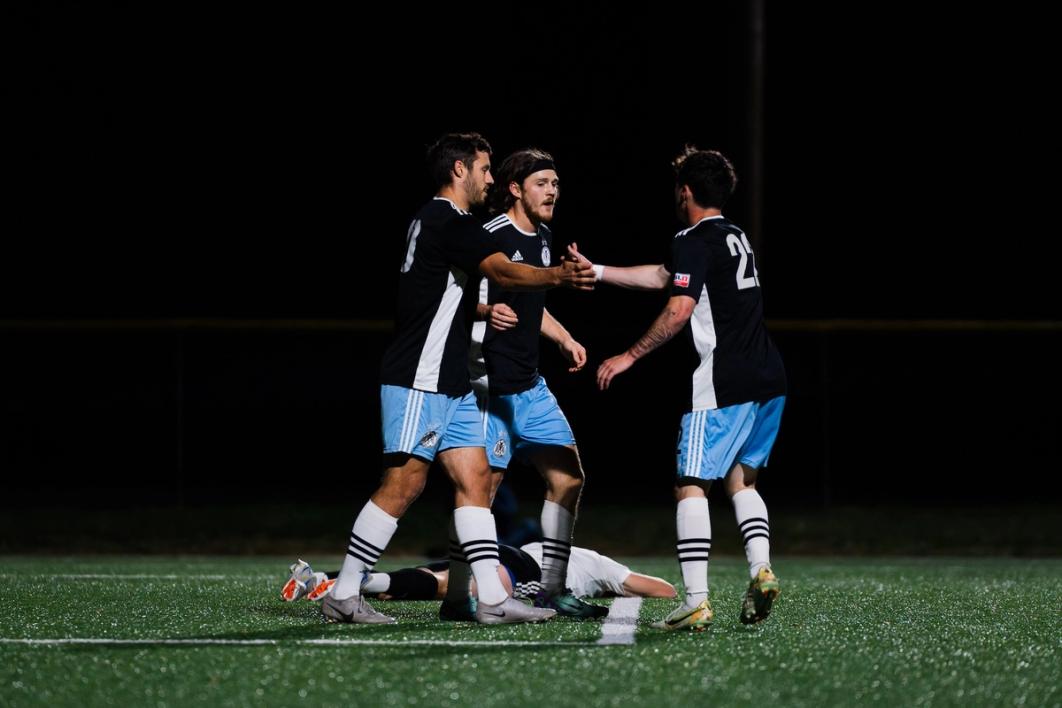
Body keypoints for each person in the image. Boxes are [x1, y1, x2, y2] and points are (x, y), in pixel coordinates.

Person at [322, 133, 595, 626]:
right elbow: (502, 271)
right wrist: (558, 277)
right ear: (459, 171)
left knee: (475, 484)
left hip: (453, 383)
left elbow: (446, 292)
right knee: (403, 484)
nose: (490, 179)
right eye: (485, 169)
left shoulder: (441, 223)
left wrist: (487, 308)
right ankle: (343, 591)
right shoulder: (450, 220)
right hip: (419, 377)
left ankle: (489, 599)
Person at [570, 146, 786, 630]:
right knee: (741, 482)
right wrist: (599, 271)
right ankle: (761, 570)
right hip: (770, 378)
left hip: (724, 382)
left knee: (690, 486)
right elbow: (668, 277)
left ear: (684, 191)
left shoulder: (692, 237)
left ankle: (696, 600)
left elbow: (679, 307)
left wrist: (628, 355)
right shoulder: (732, 235)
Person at [443, 148, 604, 620]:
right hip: (486, 388)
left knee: (568, 476)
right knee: (480, 495)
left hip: (530, 387)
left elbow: (533, 305)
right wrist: (484, 311)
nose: (552, 189)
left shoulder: (545, 236)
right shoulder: (487, 237)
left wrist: (565, 338)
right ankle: (459, 596)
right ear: (515, 188)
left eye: (556, 182)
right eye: (542, 182)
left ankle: (552, 590)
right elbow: (447, 299)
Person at [281, 544, 677, 605]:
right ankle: (350, 584)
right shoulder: (602, 564)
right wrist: (617, 587)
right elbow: (664, 591)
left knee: (418, 578)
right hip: (527, 570)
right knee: (440, 586)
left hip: (502, 547)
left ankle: (322, 577)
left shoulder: (567, 547)